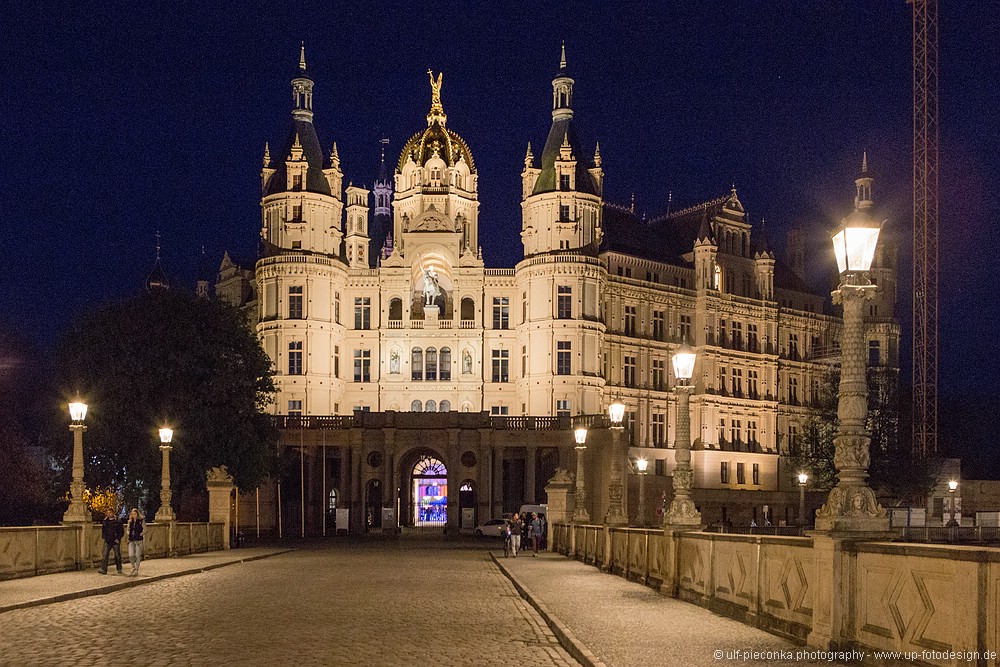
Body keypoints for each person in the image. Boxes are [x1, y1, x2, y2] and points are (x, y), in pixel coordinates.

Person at [98, 510, 124, 575]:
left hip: (115, 540)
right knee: (105, 555)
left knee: (117, 555)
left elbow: (121, 531)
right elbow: (103, 531)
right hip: (107, 540)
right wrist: (104, 537)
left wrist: (118, 538)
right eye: (108, 513)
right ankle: (104, 569)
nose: (109, 514)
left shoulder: (118, 521)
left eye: (110, 513)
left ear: (113, 513)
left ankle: (119, 568)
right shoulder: (105, 521)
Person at [126, 508, 144, 576]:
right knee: (131, 555)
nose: (134, 515)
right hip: (131, 539)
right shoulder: (130, 522)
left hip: (138, 540)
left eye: (135, 514)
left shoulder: (141, 521)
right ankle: (133, 567)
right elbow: (128, 529)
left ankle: (136, 569)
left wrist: (140, 534)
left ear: (137, 514)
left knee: (137, 555)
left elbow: (145, 529)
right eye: (132, 514)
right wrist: (129, 533)